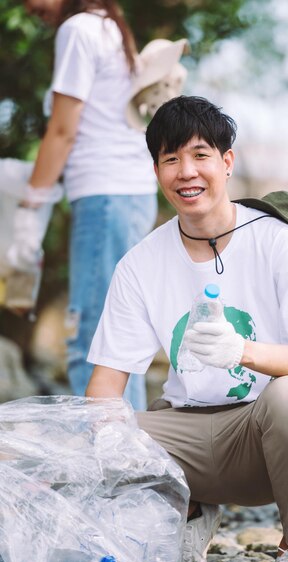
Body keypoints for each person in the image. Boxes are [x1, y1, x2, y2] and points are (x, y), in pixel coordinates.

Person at [85, 95, 288, 562]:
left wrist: (243, 351)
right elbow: (105, 387)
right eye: (170, 158)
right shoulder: (140, 263)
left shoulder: (279, 242)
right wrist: (90, 452)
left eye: (200, 155)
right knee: (94, 433)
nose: (186, 172)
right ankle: (190, 509)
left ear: (227, 161)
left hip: (263, 440)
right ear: (156, 168)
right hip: (185, 437)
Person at [21, 0, 159, 409]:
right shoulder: (109, 26)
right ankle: (129, 458)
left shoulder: (79, 29)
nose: (28, 6)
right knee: (117, 336)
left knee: (94, 341)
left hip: (105, 197)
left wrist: (31, 208)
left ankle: (111, 464)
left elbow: (62, 130)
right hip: (128, 195)